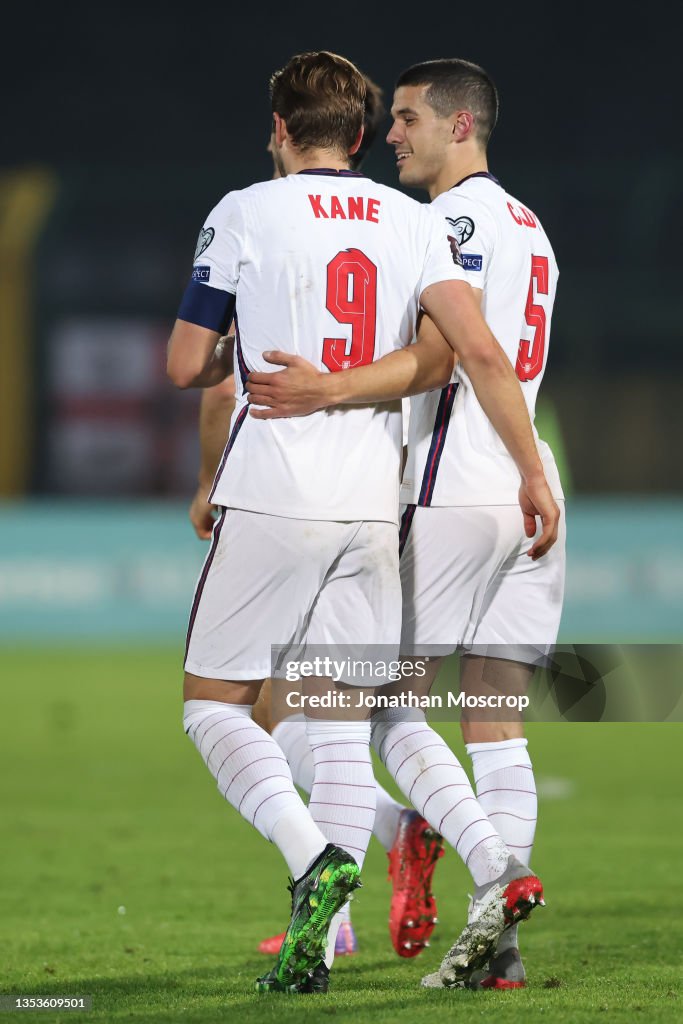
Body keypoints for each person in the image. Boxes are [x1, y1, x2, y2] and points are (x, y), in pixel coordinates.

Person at [244, 58, 564, 990]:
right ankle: (493, 950)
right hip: (519, 494)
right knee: (495, 724)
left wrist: (323, 389)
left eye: (411, 119)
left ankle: (421, 893)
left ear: (461, 126)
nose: (392, 133)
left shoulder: (448, 222)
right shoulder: (530, 227)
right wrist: (534, 471)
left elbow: (446, 359)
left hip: (448, 492)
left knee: (361, 710)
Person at [186, 74, 442, 963]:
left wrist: (238, 339)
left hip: (274, 493)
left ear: (280, 127)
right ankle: (328, 932)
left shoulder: (247, 210)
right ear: (364, 136)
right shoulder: (413, 221)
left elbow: (190, 365)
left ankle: (315, 861)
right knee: (329, 714)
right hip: (371, 503)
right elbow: (440, 356)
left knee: (216, 707)